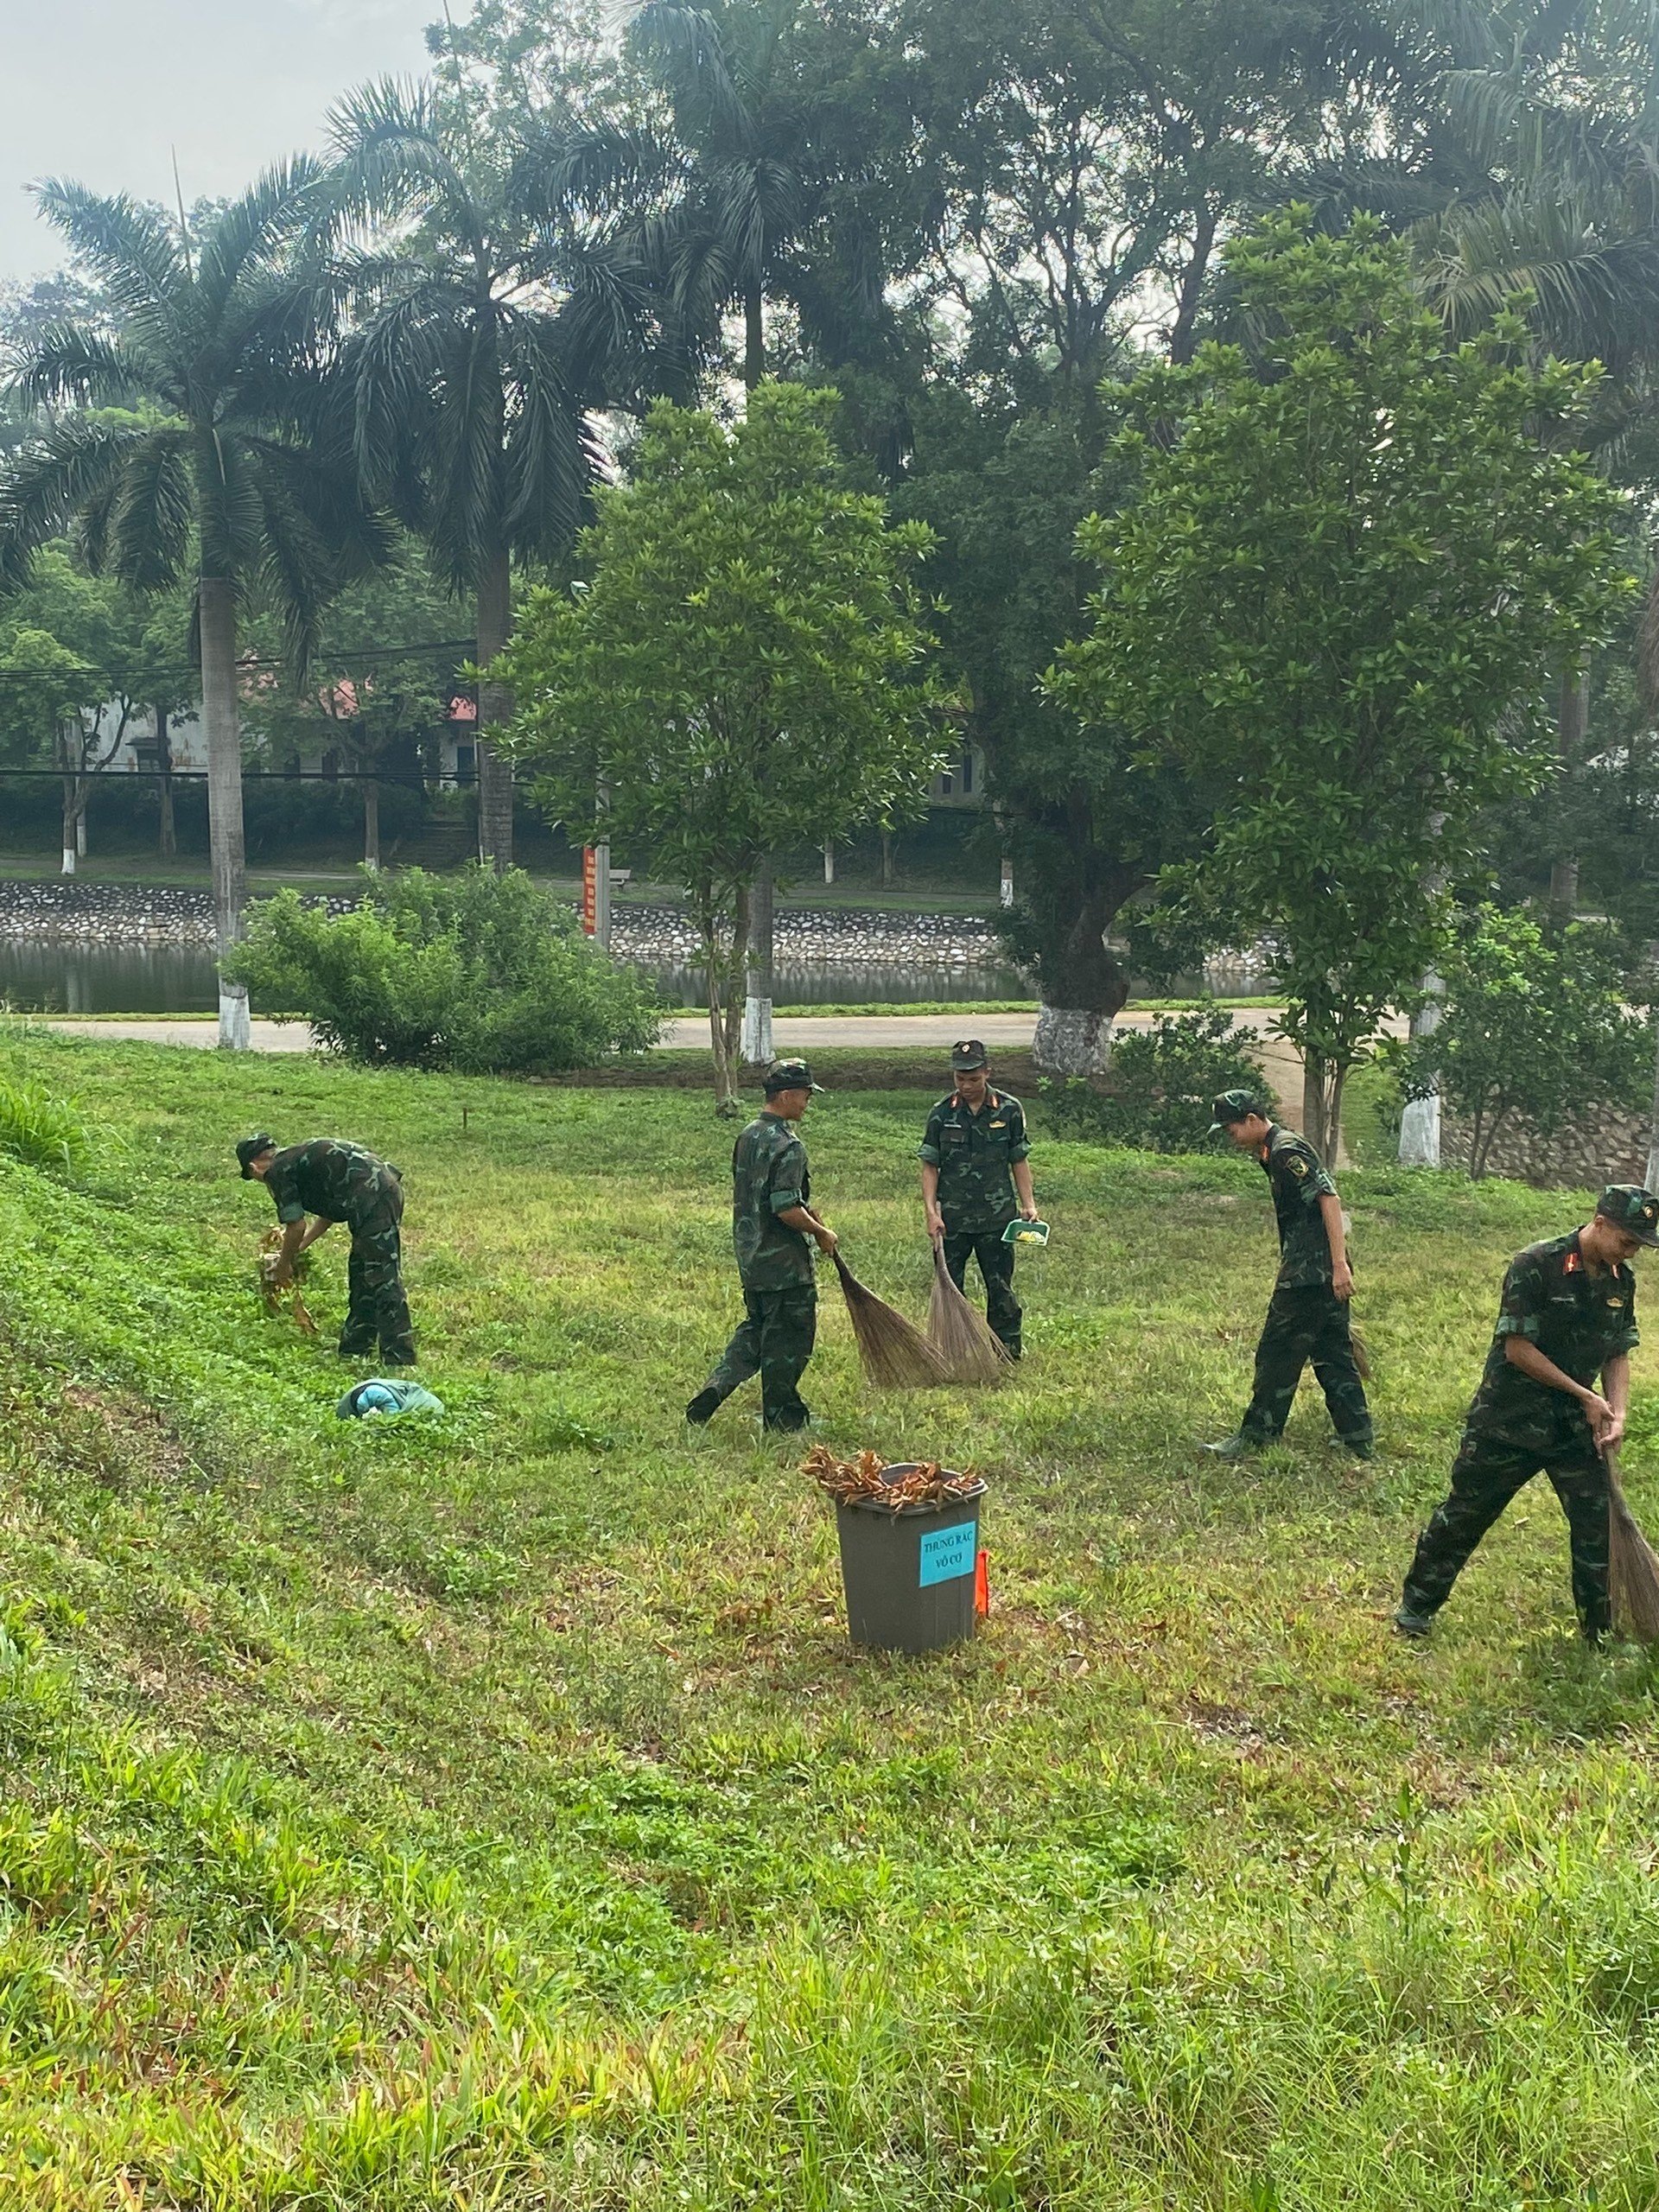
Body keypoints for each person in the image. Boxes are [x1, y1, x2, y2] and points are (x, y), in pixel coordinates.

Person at [1395, 1184, 1657, 1644]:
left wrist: (1617, 1411)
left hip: (1575, 1426)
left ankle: (1598, 1629)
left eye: (1639, 1245)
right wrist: (1584, 1394)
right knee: (1467, 1514)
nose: (1631, 1253)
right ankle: (1416, 1606)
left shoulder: (1621, 1281)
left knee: (1596, 1524)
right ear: (1598, 1223)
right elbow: (1517, 1350)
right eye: (1626, 1240)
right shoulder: (1535, 1264)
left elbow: (1618, 1352)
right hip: (1508, 1419)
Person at [1204, 1088, 1373, 1459]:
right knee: (1332, 1351)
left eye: (1232, 1130)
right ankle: (1357, 1435)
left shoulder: (1285, 1151)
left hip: (1309, 1274)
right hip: (1318, 1269)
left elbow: (1329, 1198)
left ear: (1251, 1120)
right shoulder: (1272, 1150)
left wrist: (1338, 1265)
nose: (1231, 1138)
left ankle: (1256, 1436)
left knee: (1277, 1352)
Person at [686, 1059, 837, 1433]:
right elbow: (784, 1207)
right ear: (786, 1096)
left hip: (751, 1257)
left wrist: (804, 1208)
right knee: (790, 1339)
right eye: (804, 1096)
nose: (807, 1103)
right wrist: (820, 1231)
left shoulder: (748, 1134)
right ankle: (782, 1417)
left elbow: (760, 1192)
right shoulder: (788, 1145)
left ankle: (716, 1386)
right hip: (784, 1265)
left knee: (756, 1329)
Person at [238, 1134, 416, 1364]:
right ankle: (355, 1349)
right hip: (375, 1192)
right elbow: (328, 1213)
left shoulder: (277, 1172)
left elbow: (296, 1225)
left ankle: (400, 1359)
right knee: (361, 1273)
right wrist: (299, 1249)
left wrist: (284, 1265)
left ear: (253, 1168)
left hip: (373, 1197)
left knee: (383, 1278)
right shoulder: (295, 1160)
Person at [918, 1039, 1038, 1360]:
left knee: (1000, 1288)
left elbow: (1018, 1159)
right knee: (950, 1289)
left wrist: (1028, 1204)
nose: (967, 1085)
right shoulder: (942, 1113)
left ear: (987, 1072)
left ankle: (1006, 1352)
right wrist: (931, 1213)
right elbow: (930, 1165)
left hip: (996, 1217)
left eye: (973, 1078)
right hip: (953, 1219)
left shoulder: (1009, 1109)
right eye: (960, 1078)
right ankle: (951, 1351)